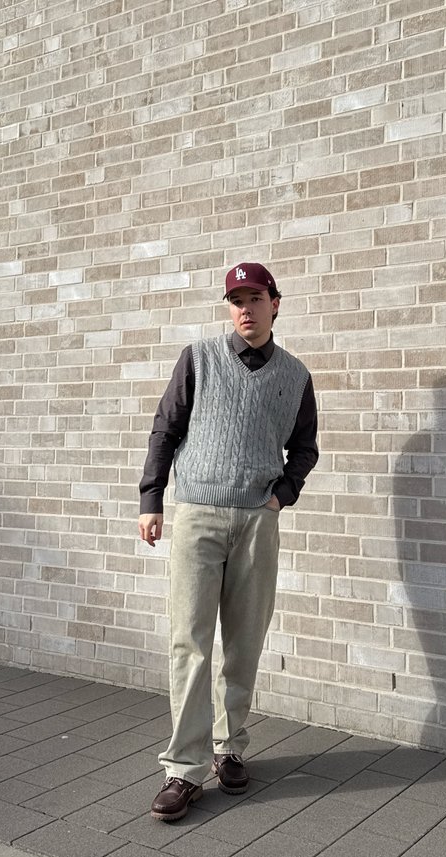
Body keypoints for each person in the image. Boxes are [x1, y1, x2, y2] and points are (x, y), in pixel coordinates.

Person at [138, 262, 318, 820]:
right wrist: (151, 499)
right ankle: (184, 770)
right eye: (235, 299)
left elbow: (305, 448)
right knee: (190, 643)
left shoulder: (296, 375)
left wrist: (280, 496)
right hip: (197, 516)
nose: (245, 308)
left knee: (244, 642)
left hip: (256, 524)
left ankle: (230, 747)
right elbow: (165, 429)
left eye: (255, 297)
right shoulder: (200, 359)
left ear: (275, 304)